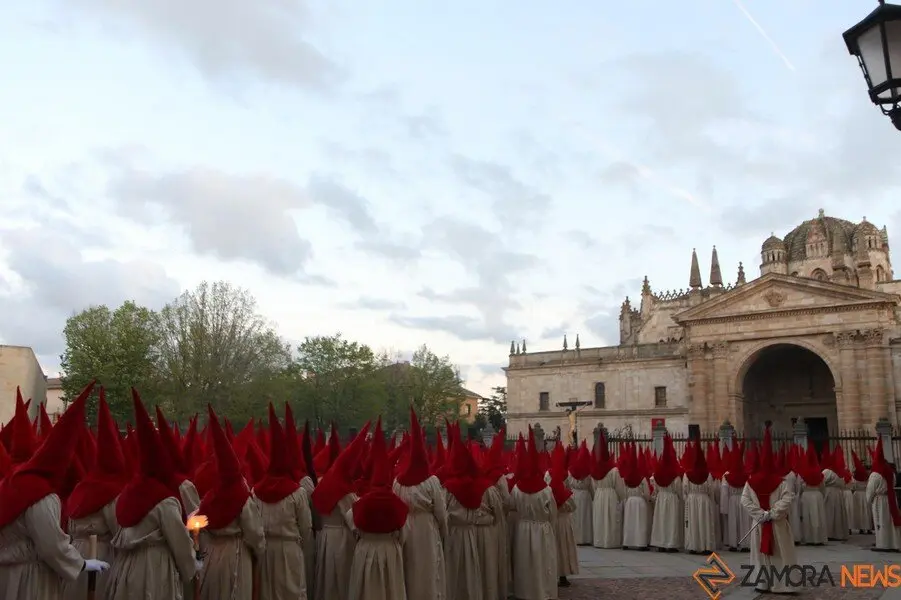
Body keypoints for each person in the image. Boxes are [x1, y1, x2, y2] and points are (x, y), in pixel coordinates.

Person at [0, 383, 110, 599]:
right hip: (30, 577)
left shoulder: (9, 484)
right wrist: (82, 563)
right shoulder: (41, 495)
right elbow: (51, 544)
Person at [103, 389, 198, 600]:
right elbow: (179, 542)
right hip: (155, 568)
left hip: (125, 567)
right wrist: (191, 566)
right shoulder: (165, 501)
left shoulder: (128, 493)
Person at [63, 388, 129, 600]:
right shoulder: (110, 492)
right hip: (100, 554)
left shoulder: (82, 486)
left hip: (75, 554)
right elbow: (119, 531)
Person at [197, 406, 264, 600]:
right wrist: (259, 553)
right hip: (236, 555)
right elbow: (255, 534)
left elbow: (201, 527)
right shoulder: (242, 497)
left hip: (211, 555)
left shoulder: (210, 497)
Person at [347, 419, 408, 600]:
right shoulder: (397, 503)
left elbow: (351, 522)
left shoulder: (361, 502)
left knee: (366, 590)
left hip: (365, 548)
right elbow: (405, 533)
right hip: (389, 549)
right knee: (390, 589)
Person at [311, 422, 371, 600]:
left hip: (325, 536)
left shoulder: (322, 482)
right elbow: (353, 519)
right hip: (342, 538)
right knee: (341, 580)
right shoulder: (343, 489)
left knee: (327, 580)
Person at [392, 408, 447, 600]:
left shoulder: (398, 481)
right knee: (428, 566)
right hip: (426, 527)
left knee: (409, 566)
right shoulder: (431, 481)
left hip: (406, 527)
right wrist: (443, 531)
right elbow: (440, 512)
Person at [740, 426, 797, 595]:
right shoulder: (781, 482)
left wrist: (760, 514)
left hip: (760, 523)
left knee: (760, 553)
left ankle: (762, 583)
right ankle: (782, 584)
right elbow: (787, 499)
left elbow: (745, 500)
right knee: (781, 553)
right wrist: (771, 513)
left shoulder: (751, 482)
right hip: (776, 523)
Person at [510, 427, 557, 600]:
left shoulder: (516, 488)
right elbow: (552, 513)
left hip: (523, 528)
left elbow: (511, 506)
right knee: (541, 562)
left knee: (525, 562)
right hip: (541, 527)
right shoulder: (545, 490)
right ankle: (542, 591)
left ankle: (525, 592)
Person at [549, 441, 578, 588]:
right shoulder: (565, 476)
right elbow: (572, 505)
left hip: (552, 519)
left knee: (554, 547)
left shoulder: (548, 474)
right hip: (563, 519)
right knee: (563, 548)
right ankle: (562, 575)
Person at [866, 439, 901, 551]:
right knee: (890, 522)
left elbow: (870, 490)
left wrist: (869, 500)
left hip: (880, 500)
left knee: (881, 521)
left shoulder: (875, 475)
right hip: (890, 498)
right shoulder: (890, 472)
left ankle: (883, 544)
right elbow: (894, 484)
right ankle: (894, 543)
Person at [649, 434, 682, 552]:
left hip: (661, 498)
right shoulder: (676, 477)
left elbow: (655, 489)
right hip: (672, 498)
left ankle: (660, 543)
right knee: (671, 521)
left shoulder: (658, 474)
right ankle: (670, 544)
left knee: (661, 520)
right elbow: (679, 490)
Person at [590, 430, 623, 549]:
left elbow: (593, 486)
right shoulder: (614, 470)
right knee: (610, 518)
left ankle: (599, 540)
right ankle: (610, 541)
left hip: (599, 494)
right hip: (610, 494)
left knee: (600, 518)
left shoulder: (595, 469)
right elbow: (619, 486)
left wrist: (597, 493)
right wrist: (620, 497)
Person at [683, 440, 716, 554]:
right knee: (704, 523)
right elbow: (711, 490)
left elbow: (685, 490)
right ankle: (706, 546)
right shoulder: (708, 475)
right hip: (704, 499)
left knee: (693, 522)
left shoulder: (687, 475)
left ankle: (693, 545)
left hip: (691, 500)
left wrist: (688, 498)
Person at [797, 445, 827, 545]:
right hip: (817, 495)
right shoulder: (819, 472)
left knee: (808, 517)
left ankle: (809, 538)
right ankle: (819, 538)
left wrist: (801, 494)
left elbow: (800, 486)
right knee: (818, 517)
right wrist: (821, 494)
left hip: (806, 496)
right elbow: (823, 486)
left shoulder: (803, 472)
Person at [567, 441, 594, 546]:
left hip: (575, 494)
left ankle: (576, 538)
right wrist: (592, 495)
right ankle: (586, 538)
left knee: (576, 517)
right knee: (585, 517)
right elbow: (591, 486)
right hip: (585, 495)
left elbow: (568, 484)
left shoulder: (571, 470)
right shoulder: (588, 472)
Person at [850, 450, 873, 534]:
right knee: (867, 511)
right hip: (865, 493)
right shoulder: (867, 475)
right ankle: (868, 528)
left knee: (859, 511)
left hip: (857, 494)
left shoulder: (855, 476)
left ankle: (861, 528)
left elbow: (852, 486)